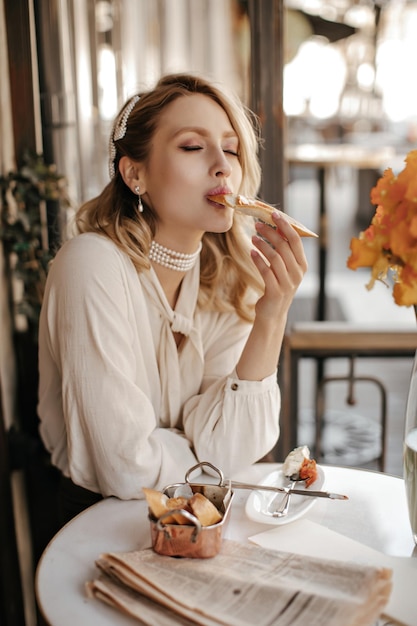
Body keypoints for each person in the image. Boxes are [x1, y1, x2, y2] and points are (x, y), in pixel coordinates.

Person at [37, 73, 308, 523]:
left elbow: (232, 452)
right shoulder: (90, 265)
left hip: (198, 522)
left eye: (232, 148)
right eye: (192, 146)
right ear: (134, 172)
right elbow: (123, 468)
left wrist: (272, 314)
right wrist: (197, 447)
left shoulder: (228, 283)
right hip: (97, 526)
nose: (223, 165)